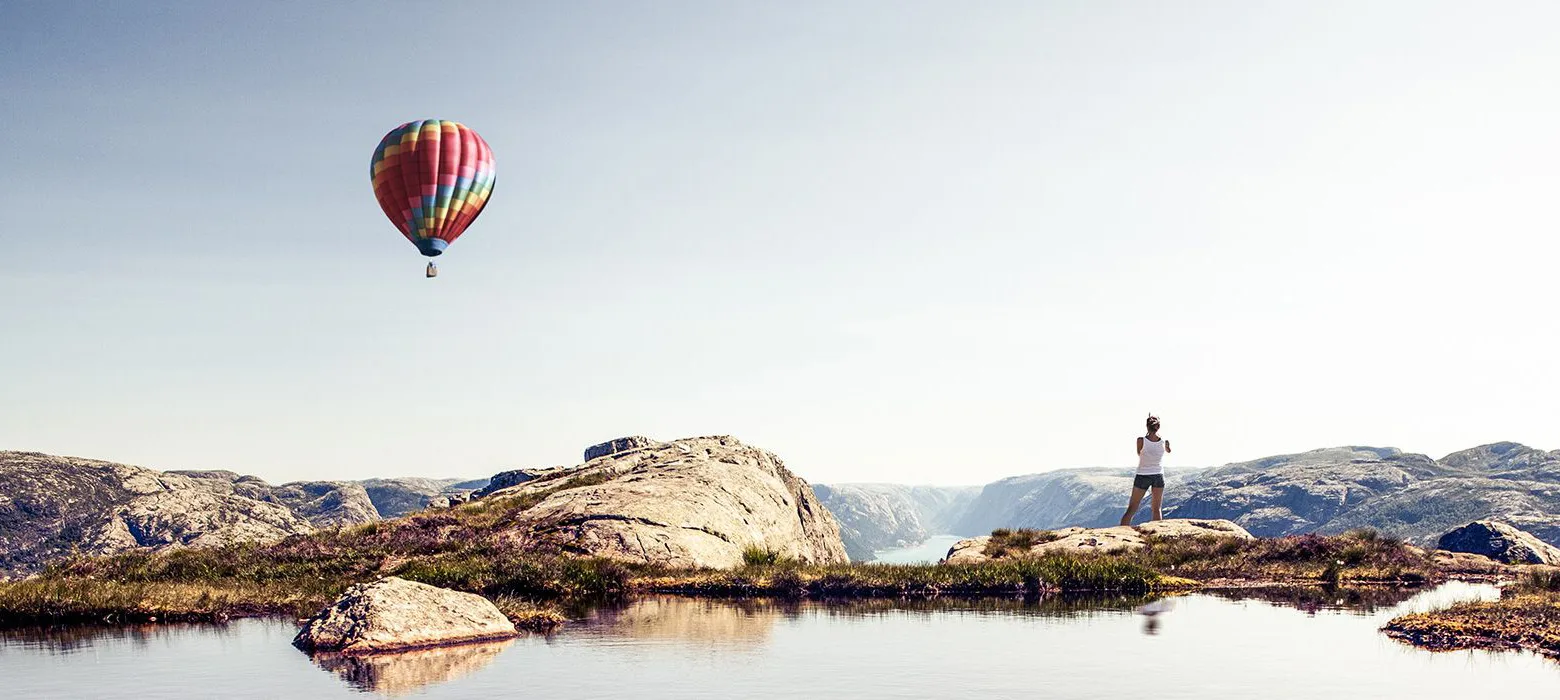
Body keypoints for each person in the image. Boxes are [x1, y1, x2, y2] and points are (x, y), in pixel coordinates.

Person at [1120, 414, 1170, 526]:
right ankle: (1158, 536)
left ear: (1147, 426)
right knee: (1157, 508)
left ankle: (1121, 532)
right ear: (1158, 427)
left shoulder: (1140, 440)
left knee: (1132, 508)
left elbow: (1139, 453)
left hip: (1143, 475)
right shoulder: (1164, 442)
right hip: (1158, 475)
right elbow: (1168, 450)